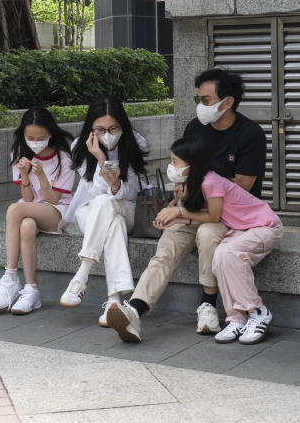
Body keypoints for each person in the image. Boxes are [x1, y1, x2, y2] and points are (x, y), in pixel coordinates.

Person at [111, 68, 267, 339]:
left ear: (227, 102)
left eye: (205, 100)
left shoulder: (250, 134)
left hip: (228, 216)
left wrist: (183, 208)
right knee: (168, 244)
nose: (200, 106)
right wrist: (175, 205)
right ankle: (135, 309)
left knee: (208, 234)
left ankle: (207, 304)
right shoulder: (195, 128)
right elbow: (183, 174)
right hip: (193, 207)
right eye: (198, 99)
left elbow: (241, 187)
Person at [107, 136, 281, 345]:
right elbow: (191, 208)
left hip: (255, 225)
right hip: (238, 226)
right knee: (215, 255)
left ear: (192, 162)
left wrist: (179, 212)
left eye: (175, 161)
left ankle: (248, 311)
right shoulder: (190, 181)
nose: (171, 166)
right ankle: (136, 309)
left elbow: (214, 216)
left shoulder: (211, 181)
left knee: (224, 251)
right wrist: (173, 214)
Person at [59, 95, 147, 326]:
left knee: (110, 207)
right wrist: (99, 158)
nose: (107, 134)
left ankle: (82, 275)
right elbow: (97, 191)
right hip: (90, 211)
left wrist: (115, 182)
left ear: (122, 126)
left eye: (113, 128)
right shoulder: (79, 146)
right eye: (100, 129)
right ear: (91, 129)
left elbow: (127, 193)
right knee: (110, 218)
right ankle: (114, 302)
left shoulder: (136, 143)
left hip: (128, 208)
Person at [0, 107, 76, 315]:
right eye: (30, 137)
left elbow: (53, 199)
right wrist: (24, 175)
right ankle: (31, 289)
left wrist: (42, 175)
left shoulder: (63, 158)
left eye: (41, 137)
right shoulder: (19, 152)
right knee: (26, 226)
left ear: (50, 134)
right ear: (23, 135)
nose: (35, 141)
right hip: (31, 209)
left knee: (14, 209)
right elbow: (28, 198)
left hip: (57, 211)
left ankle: (9, 278)